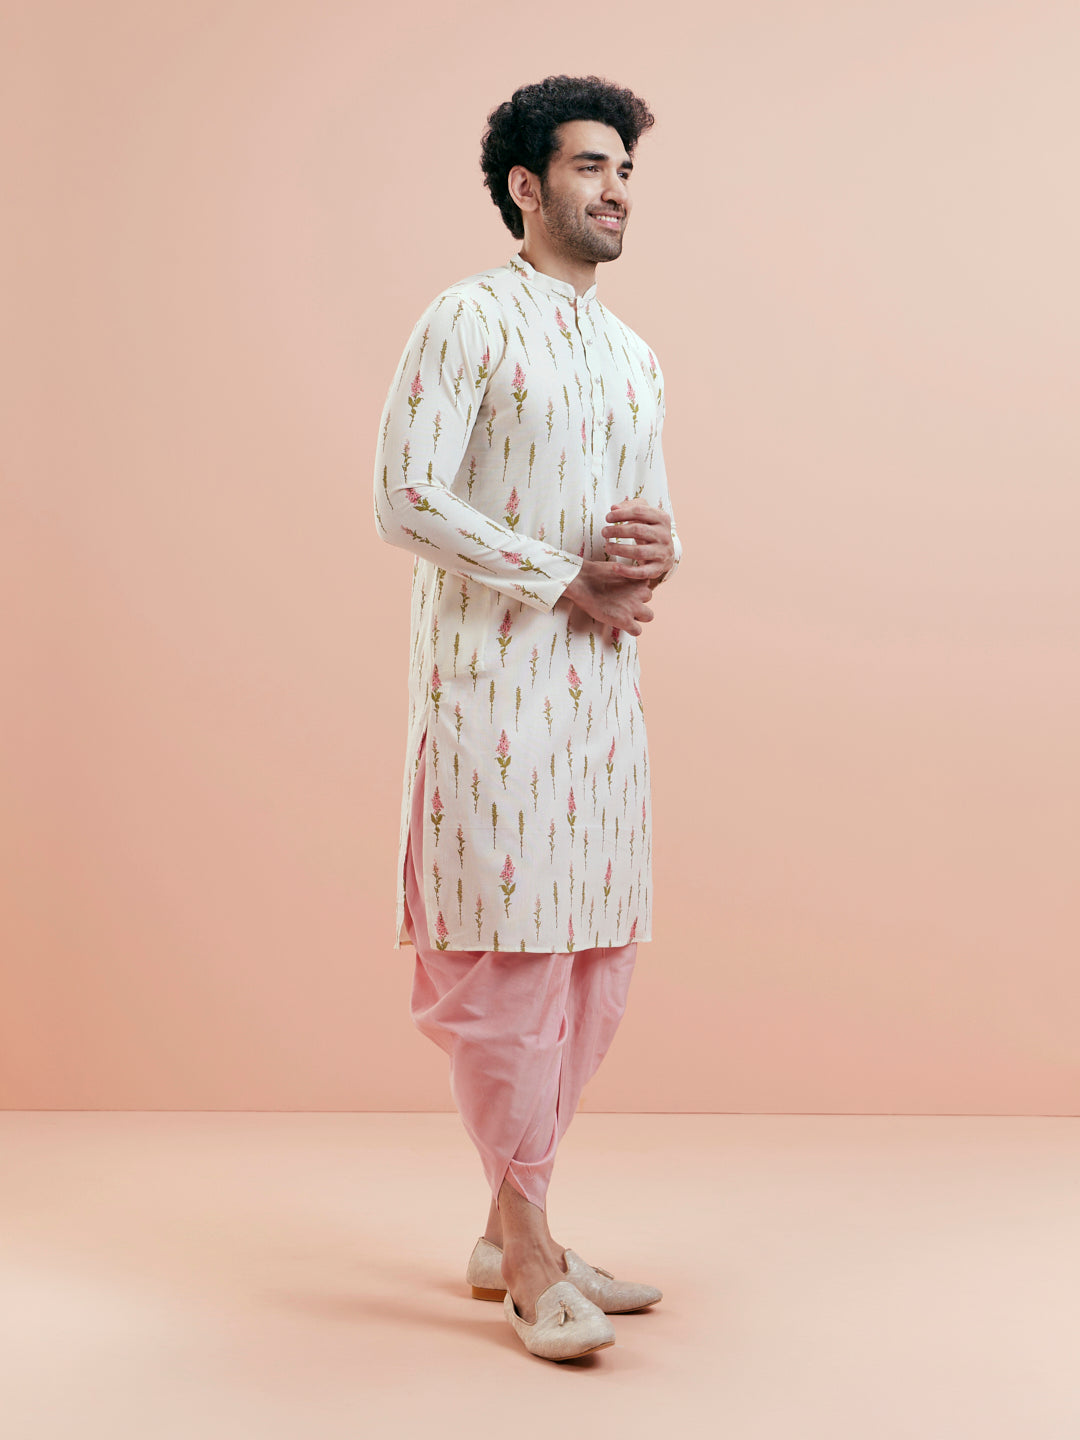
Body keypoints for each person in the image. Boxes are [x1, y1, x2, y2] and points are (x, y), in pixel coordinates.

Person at [372, 74, 681, 1362]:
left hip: (601, 712)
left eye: (626, 171)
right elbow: (404, 496)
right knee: (508, 977)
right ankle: (532, 1261)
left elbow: (650, 519)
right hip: (490, 697)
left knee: (591, 976)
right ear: (526, 185)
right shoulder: (468, 318)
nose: (616, 191)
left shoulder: (633, 353)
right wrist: (565, 578)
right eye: (591, 166)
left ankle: (510, 1230)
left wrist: (652, 560)